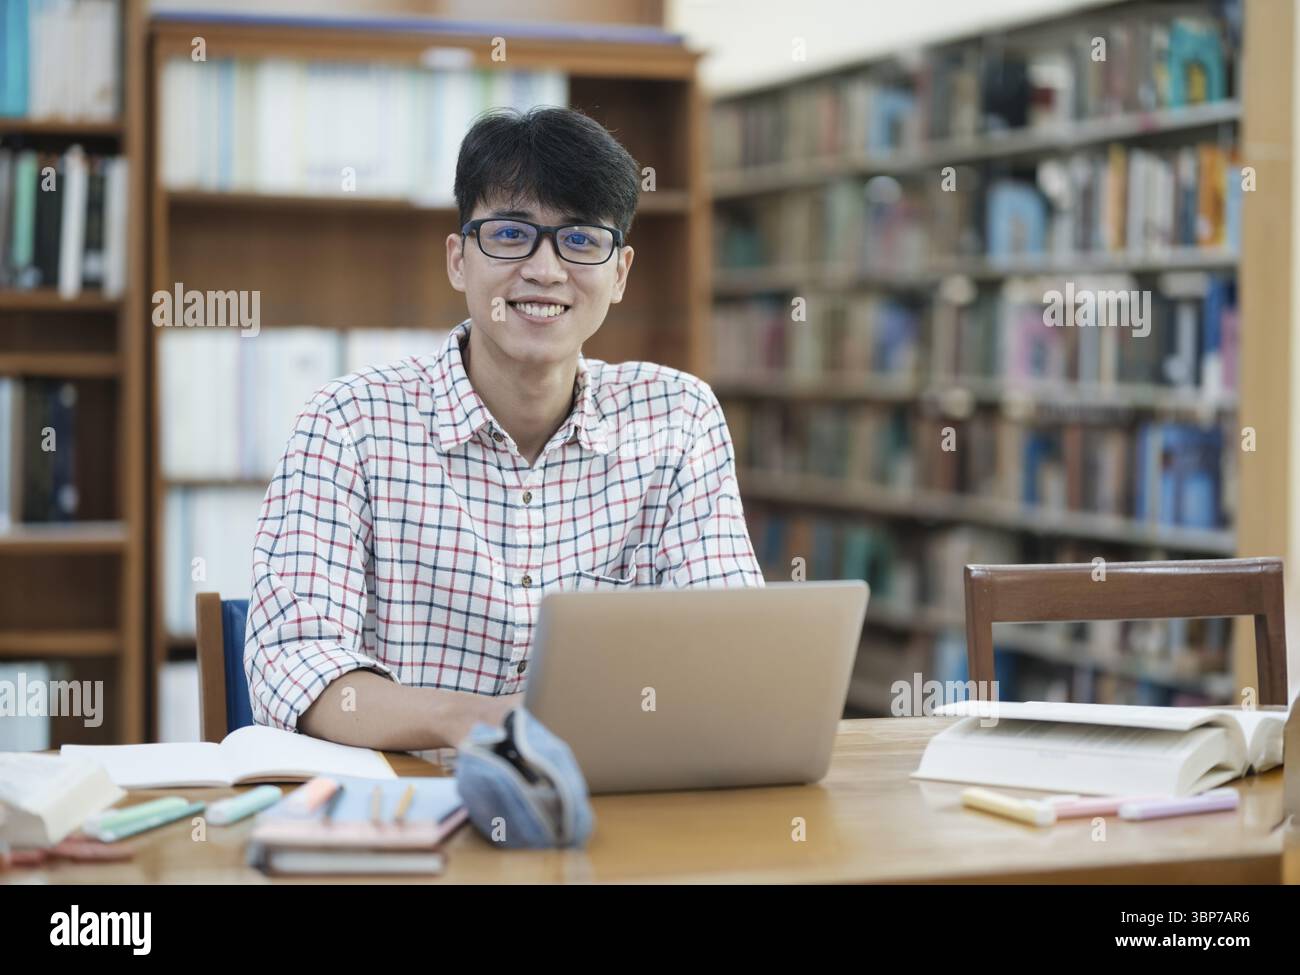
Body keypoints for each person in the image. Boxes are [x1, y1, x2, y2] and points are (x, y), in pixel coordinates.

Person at [244, 106, 763, 751]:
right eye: (512, 234)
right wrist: (471, 720)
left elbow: (730, 648)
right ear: (459, 260)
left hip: (617, 807)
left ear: (621, 273)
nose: (545, 271)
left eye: (580, 239)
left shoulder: (678, 419)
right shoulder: (348, 424)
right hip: (409, 808)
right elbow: (291, 665)